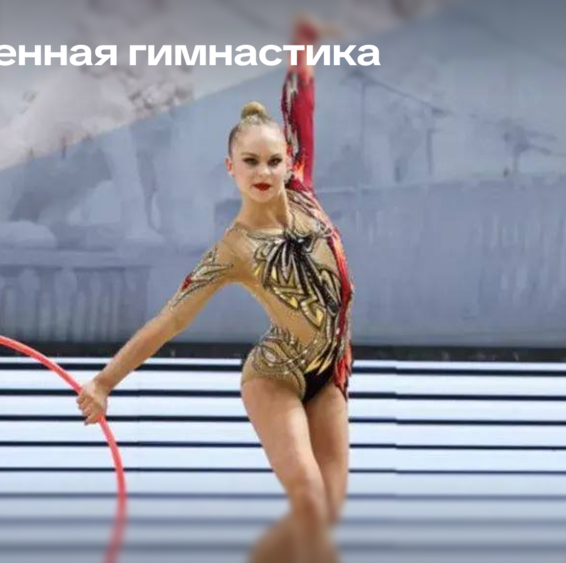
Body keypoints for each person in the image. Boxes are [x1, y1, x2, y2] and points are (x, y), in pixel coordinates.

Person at [77, 14, 355, 563]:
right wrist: (105, 382)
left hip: (332, 371)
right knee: (308, 497)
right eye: (250, 162)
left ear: (289, 162)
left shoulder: (304, 193)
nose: (263, 172)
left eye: (273, 161)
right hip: (275, 374)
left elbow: (301, 104)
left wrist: (303, 46)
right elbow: (171, 319)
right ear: (230, 168)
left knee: (328, 513)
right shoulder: (234, 249)